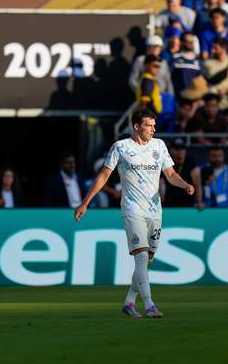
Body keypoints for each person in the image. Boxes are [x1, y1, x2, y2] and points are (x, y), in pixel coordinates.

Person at [74, 108, 195, 319]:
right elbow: (103, 176)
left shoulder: (159, 145)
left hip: (155, 210)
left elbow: (170, 174)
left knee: (147, 261)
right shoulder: (121, 147)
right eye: (149, 125)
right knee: (141, 257)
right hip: (132, 209)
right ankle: (149, 305)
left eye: (154, 125)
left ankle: (129, 302)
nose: (153, 129)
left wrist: (185, 185)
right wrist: (86, 202)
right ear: (137, 126)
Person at [161, 138, 203, 208]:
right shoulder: (166, 163)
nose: (180, 151)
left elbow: (198, 185)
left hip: (188, 203)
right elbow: (161, 183)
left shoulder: (191, 163)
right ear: (171, 150)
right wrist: (161, 201)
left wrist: (199, 201)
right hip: (170, 203)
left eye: (182, 148)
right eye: (176, 149)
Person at [203, 37, 228, 109]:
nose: (212, 50)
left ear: (224, 48)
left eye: (215, 48)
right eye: (212, 47)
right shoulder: (207, 63)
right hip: (208, 103)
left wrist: (227, 90)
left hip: (224, 103)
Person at [171, 34, 202, 98]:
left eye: (192, 41)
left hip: (193, 97)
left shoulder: (198, 61)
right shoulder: (175, 58)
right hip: (178, 96)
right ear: (182, 43)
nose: (190, 43)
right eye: (188, 41)